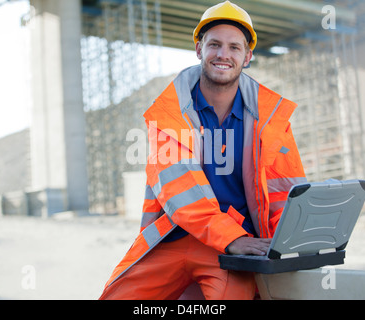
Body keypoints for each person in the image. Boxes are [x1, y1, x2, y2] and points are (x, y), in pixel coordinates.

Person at [99, 0, 306, 300]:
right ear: (199, 50)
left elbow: (284, 193)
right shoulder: (169, 114)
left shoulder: (271, 121)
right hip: (173, 236)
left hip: (235, 245)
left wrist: (286, 247)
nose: (224, 54)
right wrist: (231, 237)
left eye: (235, 47)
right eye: (214, 45)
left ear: (248, 56)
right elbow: (179, 191)